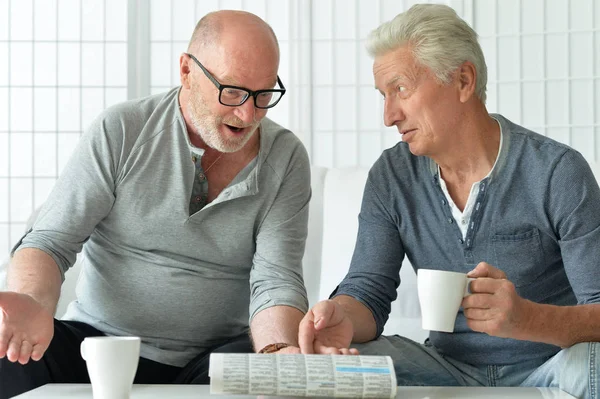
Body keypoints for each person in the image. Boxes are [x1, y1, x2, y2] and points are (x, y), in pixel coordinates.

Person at [0, 10, 310, 398]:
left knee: (260, 378)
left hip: (212, 357)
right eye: (232, 91)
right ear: (186, 71)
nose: (248, 114)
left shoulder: (286, 157)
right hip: (101, 342)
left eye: (264, 94)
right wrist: (32, 303)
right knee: (10, 358)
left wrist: (277, 351)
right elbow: (49, 241)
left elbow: (276, 281)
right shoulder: (122, 130)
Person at [298, 4, 600, 398]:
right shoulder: (391, 176)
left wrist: (527, 318)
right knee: (341, 367)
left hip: (549, 366)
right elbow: (367, 293)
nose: (388, 115)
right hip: (442, 367)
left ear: (463, 80)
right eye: (383, 95)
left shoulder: (556, 171)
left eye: (400, 89)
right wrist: (342, 317)